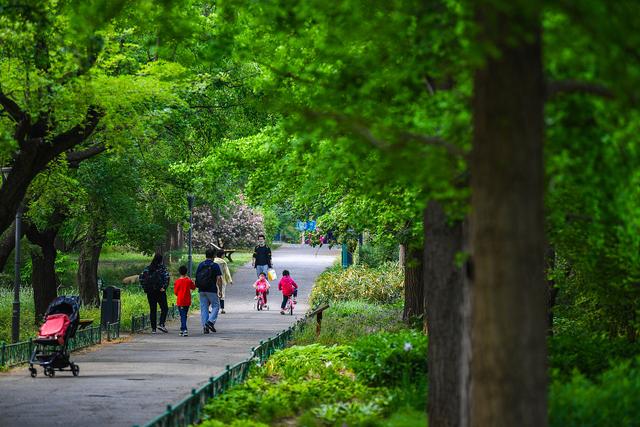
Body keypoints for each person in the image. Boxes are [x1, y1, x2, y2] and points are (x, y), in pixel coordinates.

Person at [139, 253, 170, 333]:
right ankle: (161, 324)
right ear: (161, 260)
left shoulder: (148, 268)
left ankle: (153, 329)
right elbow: (167, 277)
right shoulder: (162, 268)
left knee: (153, 310)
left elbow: (141, 278)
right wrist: (164, 287)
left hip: (150, 292)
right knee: (164, 308)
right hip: (160, 291)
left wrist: (145, 288)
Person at [195, 248, 223, 334]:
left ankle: (205, 327)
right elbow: (219, 279)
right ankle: (210, 322)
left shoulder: (200, 265)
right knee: (216, 306)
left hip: (201, 289)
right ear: (214, 256)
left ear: (205, 255)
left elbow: (196, 277)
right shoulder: (215, 265)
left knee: (204, 308)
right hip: (211, 289)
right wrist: (220, 290)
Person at [173, 265, 196, 336]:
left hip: (180, 301)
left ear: (179, 272)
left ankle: (184, 329)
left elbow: (175, 292)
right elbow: (193, 287)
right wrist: (191, 280)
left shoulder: (177, 281)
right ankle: (182, 329)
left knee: (182, 315)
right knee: (184, 315)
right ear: (186, 272)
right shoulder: (188, 281)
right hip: (187, 301)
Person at [214, 250, 233, 314]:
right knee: (222, 293)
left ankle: (211, 308)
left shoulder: (213, 261)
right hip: (222, 279)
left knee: (213, 293)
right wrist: (230, 280)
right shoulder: (223, 262)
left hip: (213, 279)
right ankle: (222, 309)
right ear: (222, 255)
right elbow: (226, 272)